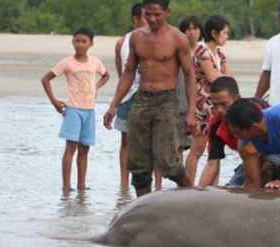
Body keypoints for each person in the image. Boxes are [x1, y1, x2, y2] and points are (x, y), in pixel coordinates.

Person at [103, 0, 196, 197]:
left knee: (168, 162)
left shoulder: (177, 38)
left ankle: (192, 197)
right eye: (148, 14)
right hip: (141, 100)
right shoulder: (136, 37)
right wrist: (113, 105)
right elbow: (128, 72)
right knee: (138, 165)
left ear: (167, 12)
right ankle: (143, 209)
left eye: (157, 14)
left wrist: (190, 112)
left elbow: (189, 75)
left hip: (167, 101)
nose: (152, 19)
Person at [41, 27, 109, 192]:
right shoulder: (67, 62)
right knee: (71, 147)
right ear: (73, 42)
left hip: (89, 110)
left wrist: (96, 87)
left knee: (85, 149)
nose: (80, 44)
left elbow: (106, 75)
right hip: (73, 109)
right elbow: (46, 79)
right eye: (77, 41)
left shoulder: (95, 62)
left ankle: (81, 186)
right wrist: (54, 101)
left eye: (84, 41)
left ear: (91, 44)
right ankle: (66, 186)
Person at [114, 3, 163, 190]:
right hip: (129, 96)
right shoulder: (122, 42)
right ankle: (124, 184)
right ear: (135, 19)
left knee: (154, 141)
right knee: (126, 141)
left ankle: (157, 185)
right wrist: (118, 100)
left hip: (151, 95)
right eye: (145, 17)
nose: (150, 21)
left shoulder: (157, 39)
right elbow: (123, 72)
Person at [198, 76, 268, 187]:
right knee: (232, 187)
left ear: (237, 98)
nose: (220, 110)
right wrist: (200, 191)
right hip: (248, 162)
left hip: (272, 156)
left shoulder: (255, 111)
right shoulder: (216, 124)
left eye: (224, 104)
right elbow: (212, 164)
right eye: (215, 105)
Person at [185, 15, 232, 184]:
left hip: (215, 107)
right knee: (197, 149)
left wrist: (225, 77)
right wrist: (225, 77)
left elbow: (228, 76)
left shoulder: (219, 53)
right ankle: (188, 187)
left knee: (215, 152)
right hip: (202, 107)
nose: (227, 36)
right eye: (225, 33)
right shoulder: (202, 50)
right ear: (214, 33)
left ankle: (212, 187)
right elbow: (213, 77)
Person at [176, 14, 204, 152]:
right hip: (181, 100)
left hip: (202, 104)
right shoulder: (178, 51)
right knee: (179, 144)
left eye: (195, 28)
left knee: (198, 146)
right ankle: (179, 174)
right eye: (187, 29)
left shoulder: (204, 52)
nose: (191, 32)